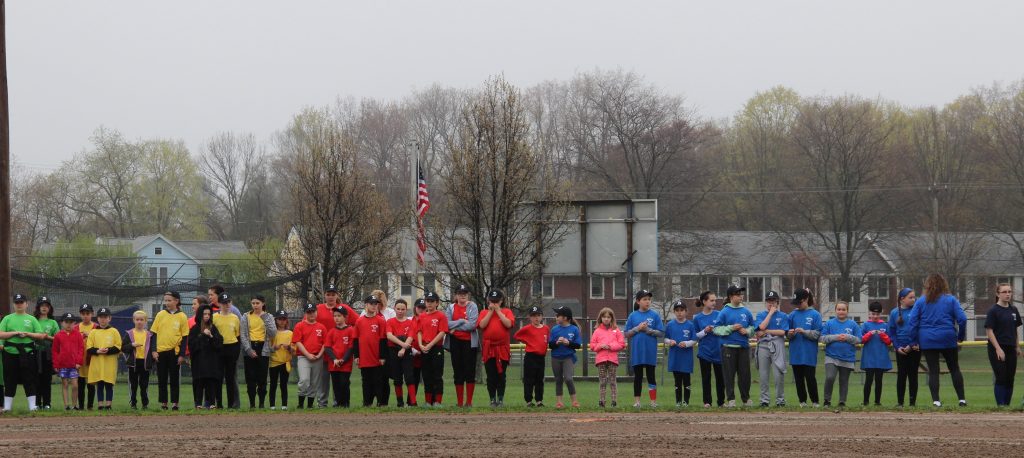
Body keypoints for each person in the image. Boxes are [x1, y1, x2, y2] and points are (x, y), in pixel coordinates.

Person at [905, 273, 968, 407]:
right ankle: (962, 400)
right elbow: (962, 319)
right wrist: (960, 336)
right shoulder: (951, 300)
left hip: (928, 339)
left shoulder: (921, 301)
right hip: (947, 337)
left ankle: (936, 401)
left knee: (933, 370)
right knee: (954, 368)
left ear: (927, 286)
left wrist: (913, 341)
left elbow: (912, 322)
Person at [0, 293, 48, 412]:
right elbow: (1, 333)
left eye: (21, 302)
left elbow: (41, 335)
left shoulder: (31, 319)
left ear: (26, 304)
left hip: (28, 353)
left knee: (30, 379)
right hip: (10, 353)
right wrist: (14, 333)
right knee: (9, 379)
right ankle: (7, 407)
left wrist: (28, 334)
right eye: (17, 302)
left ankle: (32, 406)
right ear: (14, 304)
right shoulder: (7, 318)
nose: (19, 304)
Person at [714, 285, 755, 407]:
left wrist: (747, 331)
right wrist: (731, 328)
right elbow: (716, 329)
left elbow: (753, 327)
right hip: (728, 347)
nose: (741, 296)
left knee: (745, 375)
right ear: (731, 296)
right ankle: (731, 399)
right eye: (738, 294)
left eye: (741, 293)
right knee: (729, 374)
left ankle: (746, 399)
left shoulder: (746, 311)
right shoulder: (724, 312)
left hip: (743, 347)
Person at [315, 285, 356, 408]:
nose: (331, 297)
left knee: (340, 381)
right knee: (324, 380)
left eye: (333, 294)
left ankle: (338, 403)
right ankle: (322, 403)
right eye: (328, 294)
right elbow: (309, 322)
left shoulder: (344, 308)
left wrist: (349, 331)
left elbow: (358, 322)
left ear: (337, 295)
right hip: (323, 350)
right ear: (325, 295)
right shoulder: (318, 308)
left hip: (341, 351)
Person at [624, 289, 665, 408]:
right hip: (637, 352)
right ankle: (637, 402)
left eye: (649, 299)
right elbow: (626, 334)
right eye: (644, 299)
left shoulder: (654, 315)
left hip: (650, 352)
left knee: (651, 376)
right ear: (638, 301)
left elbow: (661, 332)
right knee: (638, 377)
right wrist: (637, 328)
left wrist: (649, 330)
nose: (647, 302)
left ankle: (653, 402)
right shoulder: (633, 315)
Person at [150, 291, 189, 411]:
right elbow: (154, 334)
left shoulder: (182, 316)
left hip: (174, 352)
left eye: (169, 300)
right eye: (165, 300)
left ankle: (175, 403)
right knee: (162, 378)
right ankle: (164, 402)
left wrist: (182, 354)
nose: (167, 303)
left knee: (174, 379)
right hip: (161, 352)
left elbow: (185, 337)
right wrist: (154, 350)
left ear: (176, 301)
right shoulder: (160, 314)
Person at [985, 283, 1022, 407]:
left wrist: (1017, 346)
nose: (1007, 294)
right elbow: (989, 331)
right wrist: (998, 349)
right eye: (1004, 292)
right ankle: (1000, 405)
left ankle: (1007, 405)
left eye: (1009, 292)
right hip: (997, 348)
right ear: (997, 294)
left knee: (1010, 378)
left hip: (1011, 348)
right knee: (1001, 377)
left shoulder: (1014, 310)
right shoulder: (993, 310)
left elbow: (1015, 329)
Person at [478, 290, 514, 408]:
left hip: (502, 348)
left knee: (501, 375)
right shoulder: (484, 312)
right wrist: (490, 312)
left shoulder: (507, 311)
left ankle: (501, 399)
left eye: (496, 301)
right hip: (489, 349)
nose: (494, 303)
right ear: (488, 301)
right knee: (491, 375)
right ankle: (492, 399)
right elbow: (482, 325)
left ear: (501, 301)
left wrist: (498, 311)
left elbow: (508, 324)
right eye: (492, 301)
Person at [445, 284, 480, 407]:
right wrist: (461, 321)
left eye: (464, 293)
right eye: (460, 293)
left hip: (469, 343)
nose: (462, 295)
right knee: (458, 372)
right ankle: (460, 403)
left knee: (469, 372)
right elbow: (447, 324)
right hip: (455, 342)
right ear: (456, 295)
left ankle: (468, 402)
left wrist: (456, 327)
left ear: (468, 295)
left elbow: (472, 325)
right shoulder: (450, 307)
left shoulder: (472, 306)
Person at [820, 301, 860, 407]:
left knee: (843, 380)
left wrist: (847, 337)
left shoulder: (853, 324)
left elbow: (859, 339)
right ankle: (827, 401)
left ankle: (842, 402)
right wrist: (836, 337)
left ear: (847, 311)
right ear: (835, 310)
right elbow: (822, 338)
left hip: (847, 357)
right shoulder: (829, 323)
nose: (841, 311)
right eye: (839, 309)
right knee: (830, 377)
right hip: (831, 356)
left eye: (843, 309)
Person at [787, 288, 821, 407]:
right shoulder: (791, 315)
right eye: (795, 303)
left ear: (806, 299)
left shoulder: (815, 314)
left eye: (799, 302)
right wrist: (790, 334)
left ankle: (815, 401)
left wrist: (805, 332)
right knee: (798, 380)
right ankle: (802, 401)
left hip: (809, 353)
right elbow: (787, 334)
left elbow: (817, 334)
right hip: (795, 353)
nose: (797, 305)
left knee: (810, 378)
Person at [240, 295, 276, 409]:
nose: (255, 305)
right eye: (253, 303)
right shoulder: (246, 316)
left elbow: (273, 333)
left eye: (257, 303)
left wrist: (264, 318)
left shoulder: (269, 316)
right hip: (250, 348)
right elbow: (243, 335)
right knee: (250, 378)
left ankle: (261, 403)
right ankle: (252, 404)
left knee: (262, 378)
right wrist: (248, 349)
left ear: (263, 304)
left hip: (263, 349)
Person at [353, 294, 388, 407]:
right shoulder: (359, 321)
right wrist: (357, 355)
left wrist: (382, 356)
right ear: (366, 305)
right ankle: (367, 402)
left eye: (375, 304)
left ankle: (380, 402)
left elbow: (383, 339)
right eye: (371, 304)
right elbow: (355, 339)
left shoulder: (380, 320)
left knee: (378, 380)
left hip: (376, 357)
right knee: (366, 381)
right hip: (364, 357)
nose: (373, 306)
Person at [755, 291, 788, 407]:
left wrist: (767, 331)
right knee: (763, 375)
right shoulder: (760, 315)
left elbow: (782, 332)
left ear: (777, 302)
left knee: (778, 374)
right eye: (769, 301)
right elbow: (760, 330)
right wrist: (770, 314)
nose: (771, 303)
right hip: (764, 345)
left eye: (773, 301)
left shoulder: (783, 316)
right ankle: (764, 401)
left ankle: (780, 401)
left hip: (778, 344)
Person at [188, 304, 223, 409]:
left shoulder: (213, 327)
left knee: (211, 382)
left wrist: (211, 337)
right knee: (199, 382)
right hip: (198, 362)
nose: (207, 316)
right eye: (204, 314)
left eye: (209, 314)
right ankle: (198, 404)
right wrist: (202, 335)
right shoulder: (195, 328)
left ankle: (211, 403)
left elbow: (219, 343)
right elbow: (192, 345)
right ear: (200, 314)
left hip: (211, 361)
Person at [86, 307, 121, 411]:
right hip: (97, 363)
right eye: (101, 317)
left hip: (109, 363)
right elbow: (89, 348)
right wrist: (97, 351)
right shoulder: (93, 332)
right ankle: (100, 405)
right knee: (99, 384)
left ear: (109, 318)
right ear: (97, 318)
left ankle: (109, 405)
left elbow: (118, 347)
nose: (103, 319)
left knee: (109, 384)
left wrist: (108, 351)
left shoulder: (114, 331)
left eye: (105, 317)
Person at [889, 288, 920, 407]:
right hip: (901, 349)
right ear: (902, 299)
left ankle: (912, 403)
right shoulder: (894, 313)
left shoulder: (917, 311)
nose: (913, 299)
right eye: (910, 297)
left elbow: (919, 329)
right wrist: (897, 347)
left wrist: (912, 345)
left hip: (914, 348)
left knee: (913, 375)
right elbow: (892, 332)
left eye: (914, 297)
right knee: (902, 375)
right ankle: (900, 402)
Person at [693, 291, 724, 408]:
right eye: (711, 300)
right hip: (705, 352)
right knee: (706, 378)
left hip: (718, 351)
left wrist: (716, 329)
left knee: (720, 378)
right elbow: (695, 336)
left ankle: (721, 402)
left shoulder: (719, 314)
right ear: (704, 301)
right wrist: (705, 331)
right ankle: (707, 402)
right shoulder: (697, 318)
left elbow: (724, 330)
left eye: (715, 300)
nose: (714, 302)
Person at [417, 291, 448, 406]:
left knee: (437, 375)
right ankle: (428, 401)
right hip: (424, 348)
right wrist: (420, 344)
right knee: (426, 375)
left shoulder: (441, 316)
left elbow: (442, 332)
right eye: (427, 301)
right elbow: (419, 331)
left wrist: (430, 345)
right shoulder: (422, 316)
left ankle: (437, 401)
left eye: (432, 301)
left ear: (437, 303)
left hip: (436, 348)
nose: (429, 304)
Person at [293, 303, 327, 409]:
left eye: (313, 311)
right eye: (309, 312)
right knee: (304, 380)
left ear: (316, 312)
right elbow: (297, 342)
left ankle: (310, 405)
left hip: (318, 357)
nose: (311, 314)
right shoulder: (299, 325)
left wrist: (320, 355)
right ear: (305, 313)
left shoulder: (321, 327)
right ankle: (300, 404)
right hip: (304, 357)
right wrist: (307, 354)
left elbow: (325, 343)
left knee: (314, 382)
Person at [514, 306, 549, 407]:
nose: (536, 318)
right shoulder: (527, 328)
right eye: (533, 316)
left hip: (540, 357)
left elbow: (546, 341)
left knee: (539, 379)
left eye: (538, 315)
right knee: (529, 379)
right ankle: (529, 400)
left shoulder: (546, 328)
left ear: (542, 317)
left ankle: (539, 400)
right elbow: (516, 335)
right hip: (530, 357)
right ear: (530, 317)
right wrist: (527, 341)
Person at [664, 300, 698, 408]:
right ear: (674, 312)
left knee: (686, 380)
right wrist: (670, 341)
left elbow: (694, 340)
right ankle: (678, 401)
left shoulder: (690, 325)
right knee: (677, 381)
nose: (679, 313)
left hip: (686, 358)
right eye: (677, 310)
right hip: (675, 357)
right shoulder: (670, 325)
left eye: (682, 310)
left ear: (686, 311)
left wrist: (687, 343)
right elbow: (665, 338)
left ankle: (686, 402)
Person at [590, 307, 624, 408]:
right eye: (604, 317)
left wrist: (611, 346)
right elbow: (592, 345)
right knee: (602, 381)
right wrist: (600, 346)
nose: (606, 319)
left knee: (613, 381)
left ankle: (614, 401)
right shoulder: (597, 331)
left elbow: (621, 344)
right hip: (601, 360)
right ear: (600, 318)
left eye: (608, 317)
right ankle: (602, 401)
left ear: (612, 318)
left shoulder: (616, 330)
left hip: (612, 360)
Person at [548, 306, 581, 409]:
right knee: (558, 379)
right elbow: (550, 345)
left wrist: (568, 343)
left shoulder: (574, 329)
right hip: (556, 357)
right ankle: (559, 402)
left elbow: (577, 345)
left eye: (558, 315)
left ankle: (574, 401)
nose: (556, 317)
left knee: (568, 378)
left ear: (565, 318)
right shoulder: (554, 329)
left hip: (568, 357)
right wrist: (556, 343)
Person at [324, 306, 357, 408]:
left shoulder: (351, 330)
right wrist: (334, 359)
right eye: (335, 316)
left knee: (344, 383)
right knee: (336, 385)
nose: (336, 318)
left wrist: (343, 359)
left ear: (345, 317)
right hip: (334, 364)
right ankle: (338, 404)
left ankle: (346, 404)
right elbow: (327, 347)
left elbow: (351, 347)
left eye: (339, 316)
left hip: (345, 364)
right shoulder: (331, 332)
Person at [861, 301, 892, 406]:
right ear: (869, 313)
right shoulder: (865, 325)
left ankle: (877, 402)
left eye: (877, 314)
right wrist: (869, 334)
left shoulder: (885, 325)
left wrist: (882, 335)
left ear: (881, 313)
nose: (875, 316)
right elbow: (861, 340)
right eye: (873, 314)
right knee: (868, 380)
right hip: (869, 358)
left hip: (881, 358)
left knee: (879, 380)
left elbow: (889, 341)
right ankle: (865, 401)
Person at [121, 310, 154, 409]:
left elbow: (152, 349)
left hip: (144, 363)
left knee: (144, 385)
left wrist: (153, 359)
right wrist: (132, 345)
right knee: (133, 385)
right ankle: (133, 403)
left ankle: (145, 404)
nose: (139, 322)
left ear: (145, 321)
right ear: (133, 320)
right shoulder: (129, 333)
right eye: (137, 319)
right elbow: (123, 348)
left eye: (141, 320)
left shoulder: (149, 335)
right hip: (133, 363)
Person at [386, 299, 416, 407]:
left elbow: (411, 337)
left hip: (406, 352)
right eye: (398, 309)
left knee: (409, 377)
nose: (400, 311)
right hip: (393, 351)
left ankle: (413, 402)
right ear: (394, 309)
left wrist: (403, 349)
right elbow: (390, 336)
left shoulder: (410, 322)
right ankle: (400, 402)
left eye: (402, 309)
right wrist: (402, 345)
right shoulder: (390, 322)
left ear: (406, 310)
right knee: (397, 378)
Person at [213, 293, 242, 409]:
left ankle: (231, 404)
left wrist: (236, 352)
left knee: (230, 378)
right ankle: (219, 403)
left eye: (228, 302)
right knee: (218, 377)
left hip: (231, 348)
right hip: (219, 349)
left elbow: (238, 336)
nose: (227, 305)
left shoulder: (235, 318)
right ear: (219, 304)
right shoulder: (214, 317)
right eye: (224, 303)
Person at [51, 312, 83, 410]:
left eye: (71, 322)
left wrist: (78, 362)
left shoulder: (78, 334)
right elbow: (55, 351)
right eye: (66, 322)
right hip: (63, 365)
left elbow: (81, 349)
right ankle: (66, 405)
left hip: (74, 365)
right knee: (64, 384)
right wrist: (56, 364)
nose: (69, 324)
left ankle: (74, 405)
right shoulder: (58, 335)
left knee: (75, 385)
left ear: (74, 323)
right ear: (62, 323)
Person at [33, 296, 59, 410]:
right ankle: (37, 404)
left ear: (50, 308)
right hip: (34, 353)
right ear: (38, 308)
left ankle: (47, 403)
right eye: (42, 306)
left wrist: (47, 337)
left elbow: (58, 339)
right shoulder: (33, 320)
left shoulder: (53, 322)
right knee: (36, 379)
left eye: (46, 306)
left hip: (47, 354)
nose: (44, 308)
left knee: (46, 379)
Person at [269, 310, 293, 410]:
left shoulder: (290, 333)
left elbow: (294, 349)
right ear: (276, 320)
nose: (282, 321)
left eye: (284, 319)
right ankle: (272, 405)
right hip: (274, 362)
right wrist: (275, 347)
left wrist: (289, 348)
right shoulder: (273, 333)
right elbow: (269, 347)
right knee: (273, 384)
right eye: (280, 319)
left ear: (286, 321)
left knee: (284, 384)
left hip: (285, 362)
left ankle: (284, 405)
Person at [77, 303, 97, 410]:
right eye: (83, 313)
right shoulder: (76, 327)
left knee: (91, 385)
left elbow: (100, 342)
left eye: (88, 313)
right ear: (80, 314)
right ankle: (80, 407)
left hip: (91, 360)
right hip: (80, 361)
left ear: (92, 314)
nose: (85, 316)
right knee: (80, 385)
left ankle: (90, 406)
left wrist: (90, 335)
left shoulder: (96, 327)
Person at [408, 298, 427, 406]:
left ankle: (430, 401)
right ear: (415, 308)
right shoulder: (410, 320)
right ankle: (411, 402)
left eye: (423, 308)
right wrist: (412, 349)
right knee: (413, 379)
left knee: (427, 379)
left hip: (426, 352)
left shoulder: (428, 319)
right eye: (419, 307)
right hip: (413, 353)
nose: (421, 309)